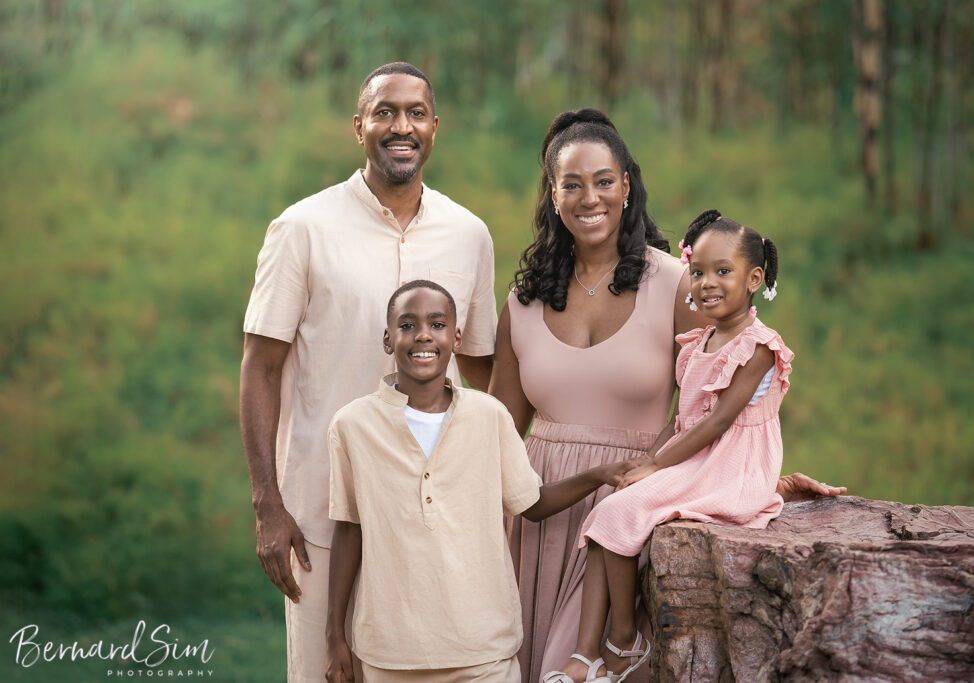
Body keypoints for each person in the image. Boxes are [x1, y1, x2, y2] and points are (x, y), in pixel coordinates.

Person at [488, 109, 845, 683]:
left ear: (627, 185)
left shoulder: (677, 285)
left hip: (634, 502)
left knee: (578, 666)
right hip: (540, 515)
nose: (590, 198)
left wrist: (755, 482)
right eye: (571, 185)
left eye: (604, 181)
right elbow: (497, 429)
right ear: (553, 196)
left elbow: (715, 402)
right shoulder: (523, 302)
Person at [239, 62, 497, 683]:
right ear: (359, 128)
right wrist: (268, 506)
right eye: (384, 112)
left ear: (435, 127)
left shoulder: (470, 236)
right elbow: (260, 368)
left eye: (414, 113)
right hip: (320, 519)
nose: (400, 125)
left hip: (434, 520)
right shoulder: (302, 228)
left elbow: (486, 373)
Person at [324, 281, 641, 683]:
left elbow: (531, 502)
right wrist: (335, 635)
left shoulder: (488, 415)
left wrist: (599, 475)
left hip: (484, 651)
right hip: (390, 654)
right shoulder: (352, 425)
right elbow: (349, 529)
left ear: (456, 337)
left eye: (437, 324)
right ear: (388, 339)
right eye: (408, 324)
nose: (423, 334)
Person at [546, 209, 794, 683]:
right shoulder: (699, 340)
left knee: (621, 512)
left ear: (755, 279)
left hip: (730, 466)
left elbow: (718, 423)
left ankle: (624, 642)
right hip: (694, 454)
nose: (707, 283)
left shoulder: (759, 346)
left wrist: (658, 465)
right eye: (697, 272)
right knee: (612, 506)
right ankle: (585, 654)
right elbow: (682, 419)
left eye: (723, 272)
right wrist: (647, 464)